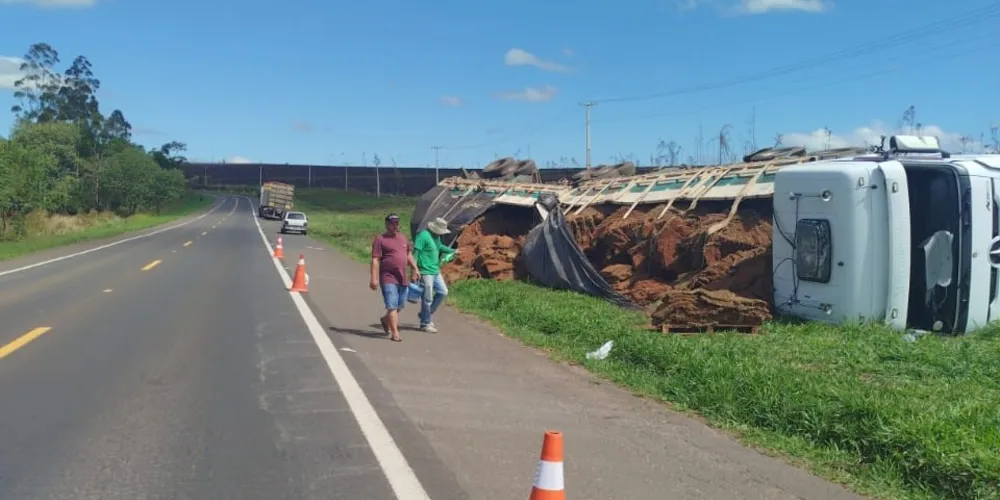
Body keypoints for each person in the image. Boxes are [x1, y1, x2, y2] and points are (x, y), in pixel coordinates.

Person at [370, 213, 420, 342]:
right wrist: (374, 278)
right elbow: (375, 259)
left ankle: (386, 319)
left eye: (397, 223)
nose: (395, 225)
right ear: (386, 224)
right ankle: (395, 332)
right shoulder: (380, 240)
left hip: (402, 277)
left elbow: (408, 253)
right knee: (392, 305)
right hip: (388, 277)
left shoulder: (403, 238)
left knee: (400, 305)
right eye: (392, 223)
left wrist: (415, 268)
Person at [412, 217, 456, 333]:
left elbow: (440, 247)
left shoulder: (437, 237)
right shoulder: (423, 236)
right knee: (427, 298)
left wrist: (453, 251)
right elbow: (415, 253)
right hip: (425, 271)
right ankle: (425, 323)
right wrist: (414, 270)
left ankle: (425, 314)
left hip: (435, 271)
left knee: (443, 291)